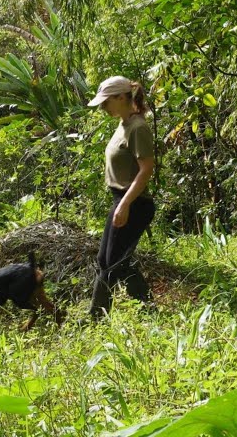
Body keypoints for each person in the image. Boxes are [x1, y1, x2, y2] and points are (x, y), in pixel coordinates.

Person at [87, 75, 156, 318]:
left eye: (106, 101)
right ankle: (149, 309)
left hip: (134, 203)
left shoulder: (137, 127)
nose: (103, 107)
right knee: (111, 259)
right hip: (122, 200)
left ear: (121, 97)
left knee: (111, 263)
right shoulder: (124, 123)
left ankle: (95, 319)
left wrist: (125, 204)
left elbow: (147, 169)